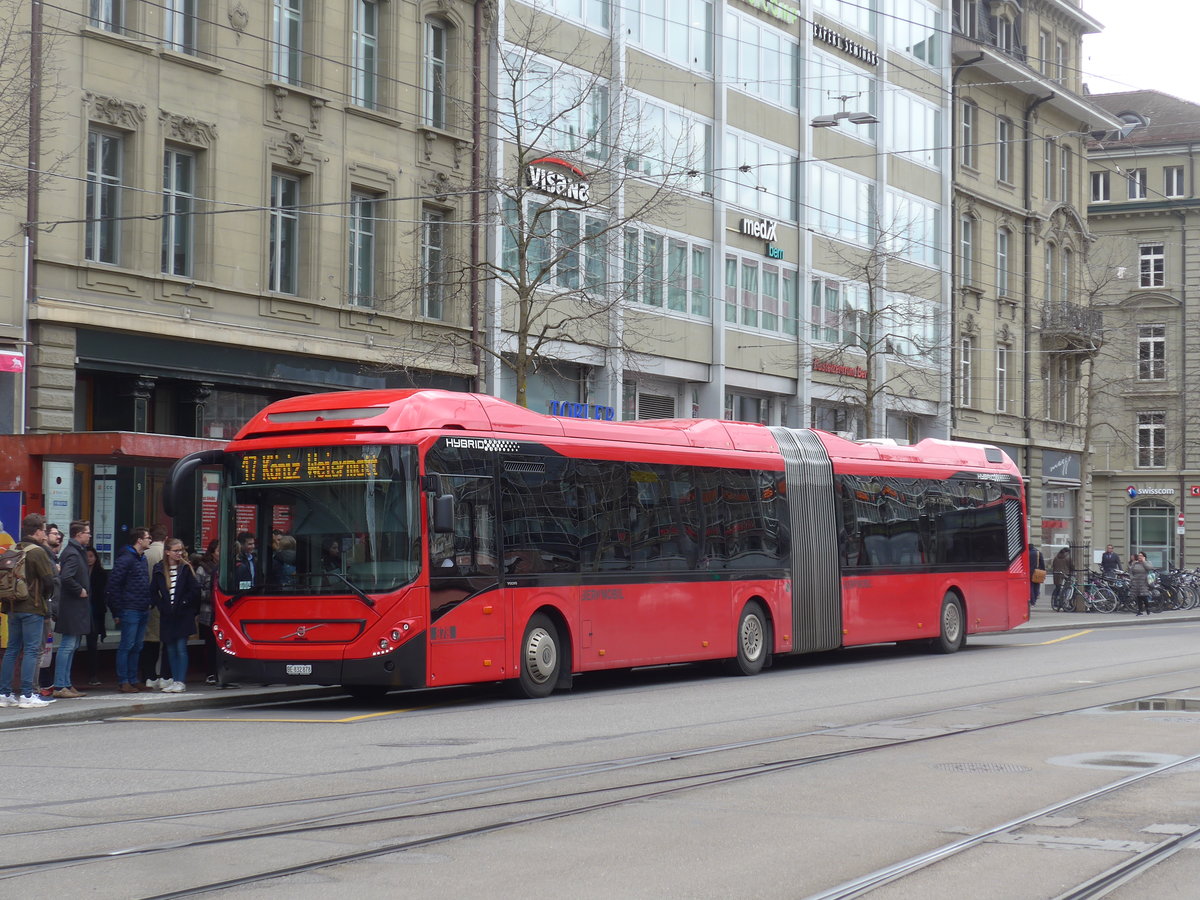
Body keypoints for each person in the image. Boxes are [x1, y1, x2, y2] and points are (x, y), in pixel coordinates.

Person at [0, 514, 58, 709]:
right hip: (32, 607)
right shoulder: (37, 552)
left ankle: (4, 693)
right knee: (32, 650)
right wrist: (45, 596)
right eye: (43, 529)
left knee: (12, 650)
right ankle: (27, 694)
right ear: (39, 531)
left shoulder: (14, 548)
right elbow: (49, 581)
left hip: (12, 606)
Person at [151, 538, 200, 693]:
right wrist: (161, 605)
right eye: (176, 551)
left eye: (181, 550)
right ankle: (173, 679)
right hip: (167, 615)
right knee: (170, 648)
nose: (179, 553)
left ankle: (180, 680)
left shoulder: (186, 568)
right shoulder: (159, 568)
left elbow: (195, 591)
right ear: (167, 552)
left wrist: (185, 603)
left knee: (181, 648)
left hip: (183, 614)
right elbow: (152, 591)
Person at [107, 528, 153, 693]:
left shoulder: (142, 558)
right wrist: (117, 610)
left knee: (137, 645)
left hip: (141, 607)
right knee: (127, 645)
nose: (150, 540)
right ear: (139, 540)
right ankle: (124, 680)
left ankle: (133, 679)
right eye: (148, 538)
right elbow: (114, 585)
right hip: (130, 608)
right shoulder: (126, 559)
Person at [51, 520, 92, 699]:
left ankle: (66, 683)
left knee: (72, 644)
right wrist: (80, 590)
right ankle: (60, 684)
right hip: (72, 607)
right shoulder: (73, 554)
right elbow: (66, 577)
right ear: (78, 534)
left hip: (75, 606)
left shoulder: (75, 551)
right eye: (87, 532)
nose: (89, 535)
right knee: (68, 645)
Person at [140, 524, 172, 689]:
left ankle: (148, 674)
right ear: (166, 539)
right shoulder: (167, 555)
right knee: (163, 641)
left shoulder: (144, 553)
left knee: (148, 640)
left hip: (146, 601)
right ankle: (162, 674)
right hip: (163, 602)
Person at [194, 539, 219, 684]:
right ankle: (210, 673)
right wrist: (212, 594)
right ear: (212, 552)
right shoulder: (203, 568)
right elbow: (197, 590)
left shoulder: (227, 566)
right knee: (210, 643)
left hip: (224, 612)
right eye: (218, 551)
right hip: (208, 611)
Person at [83, 547, 109, 685]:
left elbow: (103, 594)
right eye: (86, 556)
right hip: (82, 612)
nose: (89, 559)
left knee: (92, 643)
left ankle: (93, 674)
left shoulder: (101, 573)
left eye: (91, 556)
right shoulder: (80, 571)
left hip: (95, 612)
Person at [1128, 551, 1152, 616]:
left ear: (1144, 557)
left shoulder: (1147, 563)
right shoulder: (1135, 563)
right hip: (1136, 581)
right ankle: (1139, 610)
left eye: (1141, 556)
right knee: (1138, 597)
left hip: (1144, 581)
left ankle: (1147, 608)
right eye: (1139, 556)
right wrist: (1132, 578)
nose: (1139, 557)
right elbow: (1130, 571)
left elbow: (1149, 568)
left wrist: (1144, 561)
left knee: (1144, 596)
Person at [1029, 543, 1046, 607]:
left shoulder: (1027, 553)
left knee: (1031, 587)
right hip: (1037, 572)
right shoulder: (1038, 553)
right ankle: (1035, 600)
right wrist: (1043, 571)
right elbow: (1042, 563)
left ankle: (1032, 602)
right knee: (1036, 586)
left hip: (1029, 572)